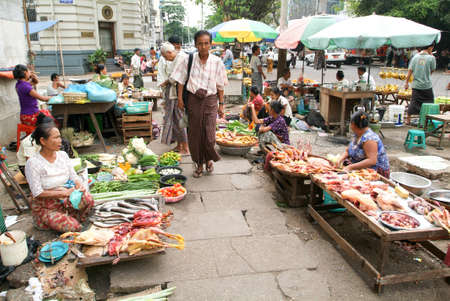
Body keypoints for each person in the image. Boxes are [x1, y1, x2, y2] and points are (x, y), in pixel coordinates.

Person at [171, 30, 228, 178]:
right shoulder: (188, 59)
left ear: (211, 44)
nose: (203, 46)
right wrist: (180, 99)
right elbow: (180, 81)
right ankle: (199, 163)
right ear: (196, 44)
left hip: (210, 100)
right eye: (200, 43)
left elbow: (220, 86)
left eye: (206, 43)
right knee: (195, 134)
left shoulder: (217, 62)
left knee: (209, 135)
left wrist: (221, 104)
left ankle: (209, 158)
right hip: (193, 100)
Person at [25, 120, 93, 232]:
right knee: (74, 227)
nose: (60, 141)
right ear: (43, 141)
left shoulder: (63, 155)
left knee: (88, 199)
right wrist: (62, 193)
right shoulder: (33, 163)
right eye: (55, 138)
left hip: (65, 199)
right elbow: (37, 193)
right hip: (46, 204)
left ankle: (70, 217)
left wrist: (79, 185)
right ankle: (44, 219)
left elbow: (74, 176)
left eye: (59, 137)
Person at [338, 111, 390, 177]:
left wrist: (350, 167)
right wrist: (340, 159)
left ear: (353, 124)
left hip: (374, 171)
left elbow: (372, 161)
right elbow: (348, 150)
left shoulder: (369, 138)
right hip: (357, 166)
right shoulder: (357, 134)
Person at [158, 42, 189, 154]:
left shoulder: (181, 57)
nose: (166, 59)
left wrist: (164, 83)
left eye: (166, 57)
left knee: (181, 120)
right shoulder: (177, 57)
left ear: (169, 52)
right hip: (174, 94)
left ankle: (185, 147)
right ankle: (179, 145)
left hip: (179, 96)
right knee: (175, 121)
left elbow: (175, 78)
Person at [405, 43, 436, 124]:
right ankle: (427, 119)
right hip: (426, 85)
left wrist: (406, 83)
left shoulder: (415, 57)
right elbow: (432, 70)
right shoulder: (431, 58)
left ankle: (408, 119)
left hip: (416, 85)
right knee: (429, 101)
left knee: (414, 102)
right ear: (430, 48)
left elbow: (410, 71)